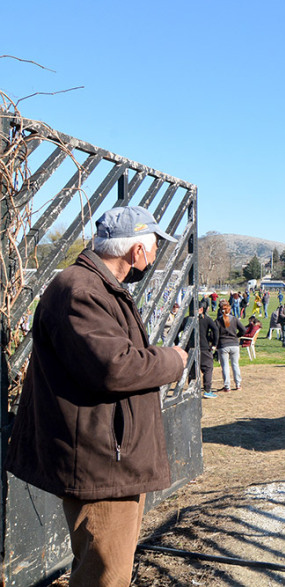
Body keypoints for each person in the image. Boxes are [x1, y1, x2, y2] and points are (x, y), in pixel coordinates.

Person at [5, 205, 187, 587]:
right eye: (154, 247)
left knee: (108, 568)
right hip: (101, 461)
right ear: (137, 252)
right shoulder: (81, 290)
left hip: (110, 460)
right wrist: (172, 360)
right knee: (104, 574)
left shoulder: (94, 287)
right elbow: (114, 367)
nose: (154, 257)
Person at [216, 300, 246, 391]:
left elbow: (215, 334)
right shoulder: (235, 319)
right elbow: (243, 330)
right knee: (235, 364)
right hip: (234, 344)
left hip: (223, 345)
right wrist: (237, 336)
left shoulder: (218, 321)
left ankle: (227, 386)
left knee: (225, 366)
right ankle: (238, 384)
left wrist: (215, 343)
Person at [198, 301, 219, 398]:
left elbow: (176, 331)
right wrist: (214, 344)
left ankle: (192, 390)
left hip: (189, 348)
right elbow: (215, 330)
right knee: (208, 368)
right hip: (203, 347)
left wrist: (178, 343)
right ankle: (207, 390)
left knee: (192, 370)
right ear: (202, 309)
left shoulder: (186, 319)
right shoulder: (206, 319)